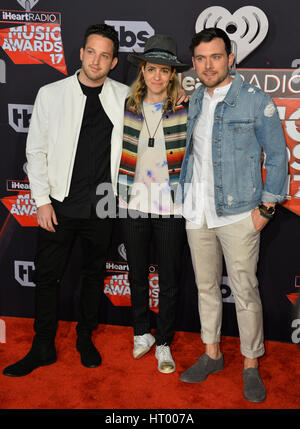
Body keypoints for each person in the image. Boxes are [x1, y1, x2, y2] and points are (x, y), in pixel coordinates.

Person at [3, 24, 129, 377]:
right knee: (47, 277)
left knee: (93, 276)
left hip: (103, 204)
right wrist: (41, 201)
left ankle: (84, 337)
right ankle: (42, 345)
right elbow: (36, 149)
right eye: (91, 52)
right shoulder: (51, 94)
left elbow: (157, 111)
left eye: (105, 55)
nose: (96, 60)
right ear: (80, 53)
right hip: (58, 204)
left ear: (114, 61)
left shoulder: (124, 95)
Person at [177, 28, 288, 401]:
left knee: (245, 291)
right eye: (201, 59)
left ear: (231, 58)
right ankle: (212, 354)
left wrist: (267, 209)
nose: (209, 65)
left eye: (216, 56)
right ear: (194, 63)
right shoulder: (193, 98)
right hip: (198, 211)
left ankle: (250, 363)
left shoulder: (255, 100)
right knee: (206, 288)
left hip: (240, 213)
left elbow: (277, 157)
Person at [117, 35, 189, 373]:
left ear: (172, 74)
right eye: (151, 69)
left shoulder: (187, 106)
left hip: (172, 206)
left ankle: (163, 343)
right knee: (137, 275)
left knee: (170, 279)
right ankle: (141, 333)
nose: (157, 76)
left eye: (164, 70)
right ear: (142, 71)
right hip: (133, 201)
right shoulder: (126, 105)